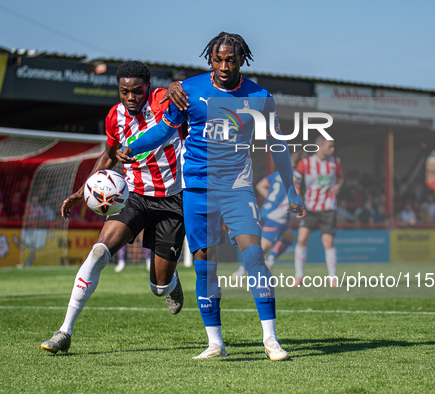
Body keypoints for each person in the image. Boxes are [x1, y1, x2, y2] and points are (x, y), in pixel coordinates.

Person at [120, 32, 306, 361]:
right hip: (197, 189)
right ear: (210, 59)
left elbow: (277, 144)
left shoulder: (260, 96)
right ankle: (215, 343)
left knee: (254, 257)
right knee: (206, 267)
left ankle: (271, 339)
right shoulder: (189, 91)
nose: (223, 66)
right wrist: (132, 148)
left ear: (241, 60)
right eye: (217, 59)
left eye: (230, 60)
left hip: (236, 188)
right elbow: (164, 130)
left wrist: (291, 189)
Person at [41, 61, 186, 354]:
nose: (131, 98)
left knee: (158, 286)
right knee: (98, 252)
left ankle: (169, 284)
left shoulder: (160, 100)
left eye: (137, 91)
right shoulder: (114, 117)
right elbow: (108, 158)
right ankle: (64, 331)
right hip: (133, 196)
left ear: (148, 88)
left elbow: (179, 94)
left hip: (173, 199)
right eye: (124, 91)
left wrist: (175, 88)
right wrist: (83, 191)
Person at [232, 153, 302, 279]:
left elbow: (260, 185)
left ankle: (271, 260)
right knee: (262, 248)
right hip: (276, 216)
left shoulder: (278, 173)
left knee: (290, 237)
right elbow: (296, 193)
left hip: (267, 211)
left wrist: (270, 199)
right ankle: (241, 271)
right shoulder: (296, 176)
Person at [293, 135, 343, 288]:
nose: (333, 149)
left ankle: (333, 278)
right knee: (301, 240)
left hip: (328, 207)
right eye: (330, 146)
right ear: (320, 147)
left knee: (328, 242)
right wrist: (297, 200)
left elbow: (340, 179)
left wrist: (338, 187)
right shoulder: (306, 163)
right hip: (310, 208)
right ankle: (298, 276)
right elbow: (295, 181)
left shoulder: (336, 162)